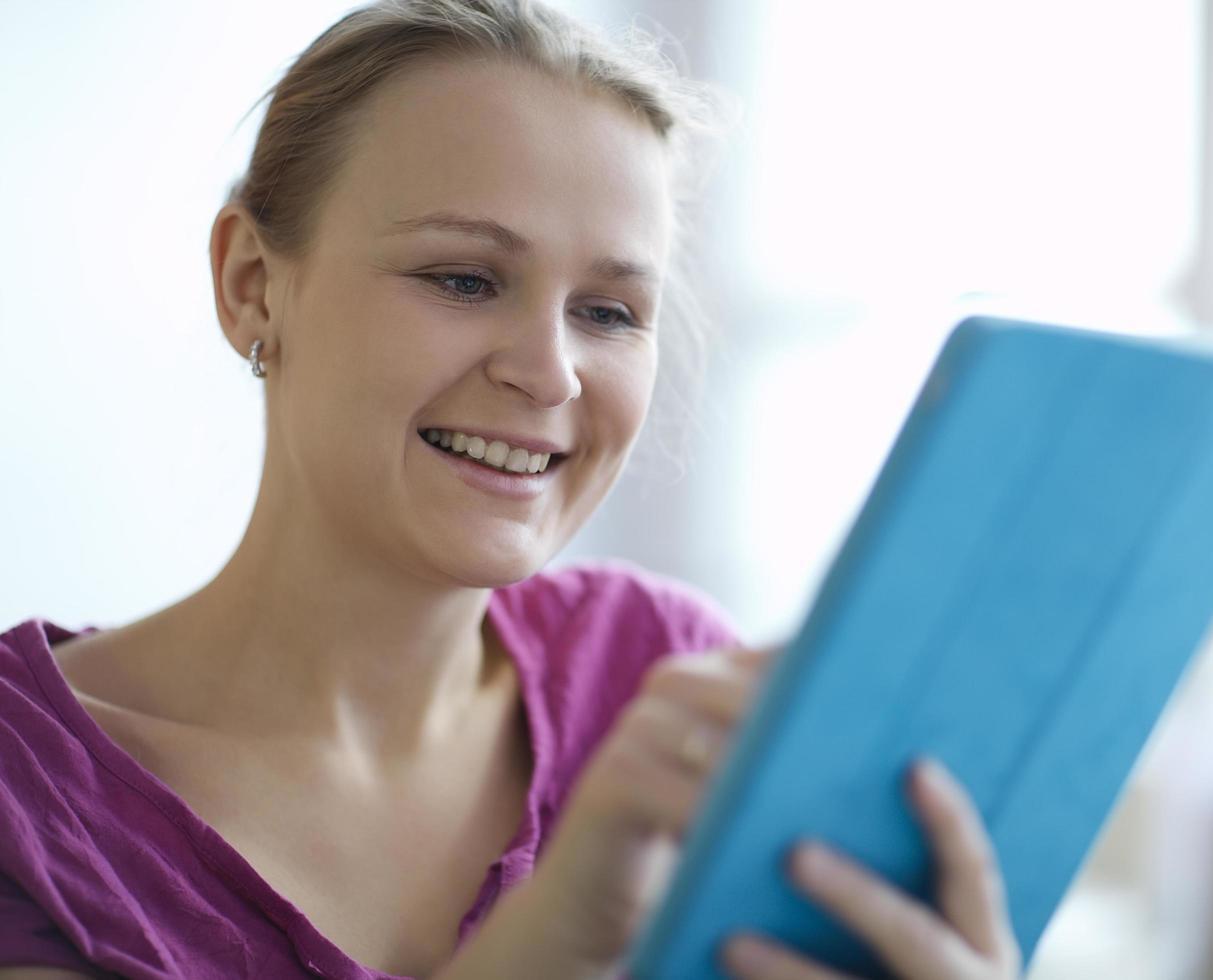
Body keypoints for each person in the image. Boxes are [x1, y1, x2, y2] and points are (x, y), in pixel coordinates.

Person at [0, 1, 1022, 977]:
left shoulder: (659, 674)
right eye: (463, 279)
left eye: (610, 312)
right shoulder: (27, 785)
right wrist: (563, 934)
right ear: (252, 286)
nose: (550, 372)